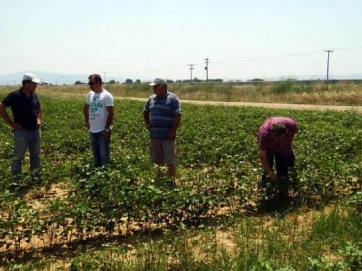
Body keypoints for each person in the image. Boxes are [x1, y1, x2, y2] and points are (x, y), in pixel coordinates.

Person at [0, 73, 42, 184]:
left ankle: (36, 178)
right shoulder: (15, 95)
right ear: (27, 84)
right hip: (21, 131)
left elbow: (38, 107)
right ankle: (16, 181)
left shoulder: (34, 95)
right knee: (18, 157)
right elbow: (1, 106)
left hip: (35, 130)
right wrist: (11, 123)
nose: (36, 85)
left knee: (36, 156)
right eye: (34, 83)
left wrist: (38, 118)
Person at [143, 78, 182, 184]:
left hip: (167, 136)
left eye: (155, 87)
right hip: (154, 135)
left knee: (170, 160)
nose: (153, 89)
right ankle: (160, 180)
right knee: (157, 160)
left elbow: (178, 114)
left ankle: (171, 182)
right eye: (153, 87)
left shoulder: (172, 98)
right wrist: (147, 123)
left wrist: (173, 131)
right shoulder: (151, 99)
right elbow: (145, 111)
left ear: (163, 87)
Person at [257, 117, 298, 200]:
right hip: (269, 147)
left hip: (284, 145)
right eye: (275, 137)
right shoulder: (265, 134)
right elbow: (262, 155)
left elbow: (293, 134)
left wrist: (287, 145)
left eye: (279, 138)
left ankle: (283, 193)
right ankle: (266, 194)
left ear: (285, 133)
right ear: (271, 132)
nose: (276, 140)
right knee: (268, 165)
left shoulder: (292, 126)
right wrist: (270, 173)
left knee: (283, 167)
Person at [83, 74, 114, 167]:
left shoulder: (107, 96)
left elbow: (111, 113)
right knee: (95, 153)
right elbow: (85, 108)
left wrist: (107, 129)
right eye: (89, 83)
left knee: (104, 155)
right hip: (92, 130)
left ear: (99, 83)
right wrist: (87, 121)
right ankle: (97, 172)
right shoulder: (90, 94)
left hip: (102, 131)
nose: (90, 86)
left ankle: (104, 175)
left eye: (92, 83)